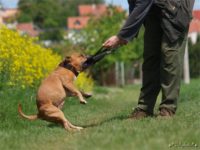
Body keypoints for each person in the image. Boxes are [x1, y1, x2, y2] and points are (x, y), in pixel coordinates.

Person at [103, 0, 195, 118]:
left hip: (176, 8)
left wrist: (121, 36)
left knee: (170, 57)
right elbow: (134, 3)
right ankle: (144, 108)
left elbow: (142, 2)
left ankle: (168, 108)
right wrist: (128, 35)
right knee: (150, 59)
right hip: (154, 10)